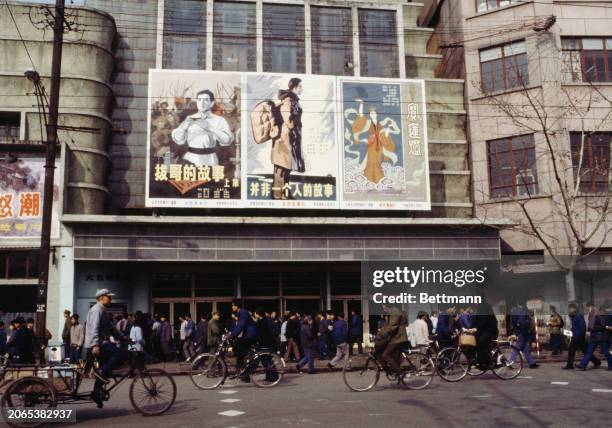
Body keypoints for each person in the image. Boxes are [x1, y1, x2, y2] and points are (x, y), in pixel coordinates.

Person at [84, 289, 127, 407]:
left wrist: (122, 337)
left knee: (106, 370)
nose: (111, 298)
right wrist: (95, 345)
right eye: (108, 296)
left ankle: (96, 392)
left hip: (101, 344)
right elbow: (94, 328)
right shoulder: (96, 310)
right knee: (120, 354)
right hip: (96, 345)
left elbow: (111, 328)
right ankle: (101, 372)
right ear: (102, 297)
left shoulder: (102, 310)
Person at [171, 89, 233, 167]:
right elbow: (179, 140)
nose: (202, 103)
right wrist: (184, 128)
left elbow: (227, 140)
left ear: (212, 103)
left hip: (210, 159)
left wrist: (210, 128)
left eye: (206, 100)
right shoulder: (189, 118)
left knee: (210, 178)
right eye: (199, 100)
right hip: (191, 158)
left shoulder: (219, 120)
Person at [576, 302, 612, 370]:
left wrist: (592, 329)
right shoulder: (592, 313)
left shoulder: (597, 313)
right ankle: (583, 365)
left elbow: (602, 325)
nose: (587, 309)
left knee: (606, 352)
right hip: (594, 336)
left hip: (600, 336)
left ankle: (611, 365)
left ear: (591, 306)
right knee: (589, 351)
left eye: (588, 307)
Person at [563, 303, 600, 369]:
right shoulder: (574, 316)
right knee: (579, 351)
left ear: (574, 309)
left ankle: (570, 365)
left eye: (570, 309)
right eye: (569, 308)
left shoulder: (578, 317)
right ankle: (596, 362)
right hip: (576, 337)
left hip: (578, 337)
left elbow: (582, 328)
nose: (569, 310)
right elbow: (575, 328)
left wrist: (577, 335)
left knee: (576, 351)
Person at [374, 305, 408, 376]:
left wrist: (380, 335)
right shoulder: (391, 313)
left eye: (384, 307)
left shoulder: (395, 312)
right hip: (394, 337)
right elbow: (386, 327)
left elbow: (392, 327)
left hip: (398, 338)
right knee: (378, 349)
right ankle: (390, 370)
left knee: (385, 355)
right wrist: (379, 334)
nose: (383, 309)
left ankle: (400, 373)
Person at [229, 300, 257, 380]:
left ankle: (244, 369)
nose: (232, 307)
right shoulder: (240, 313)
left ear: (237, 306)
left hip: (251, 335)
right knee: (240, 352)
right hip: (248, 334)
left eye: (233, 305)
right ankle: (242, 372)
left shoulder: (243, 313)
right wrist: (231, 334)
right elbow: (237, 327)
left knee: (239, 347)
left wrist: (232, 335)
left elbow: (240, 326)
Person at [470, 301, 499, 370]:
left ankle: (486, 363)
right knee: (475, 340)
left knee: (481, 341)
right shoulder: (479, 307)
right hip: (484, 330)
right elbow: (476, 320)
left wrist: (475, 328)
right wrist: (470, 329)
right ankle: (480, 361)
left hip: (491, 330)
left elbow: (483, 320)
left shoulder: (485, 306)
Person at [510, 302, 539, 369]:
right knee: (517, 348)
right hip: (522, 333)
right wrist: (525, 331)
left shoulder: (514, 312)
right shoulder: (520, 312)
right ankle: (509, 362)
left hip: (520, 332)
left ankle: (532, 363)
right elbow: (522, 323)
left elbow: (514, 324)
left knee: (526, 349)